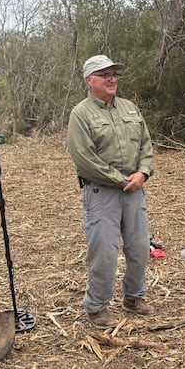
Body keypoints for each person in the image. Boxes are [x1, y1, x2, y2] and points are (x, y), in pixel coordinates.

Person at [67, 54, 154, 328]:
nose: (112, 78)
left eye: (114, 73)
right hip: (102, 192)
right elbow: (84, 158)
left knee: (140, 247)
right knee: (103, 252)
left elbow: (146, 146)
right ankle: (97, 307)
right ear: (89, 80)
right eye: (105, 74)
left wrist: (143, 173)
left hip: (134, 190)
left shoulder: (129, 108)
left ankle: (134, 296)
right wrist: (121, 179)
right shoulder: (81, 114)